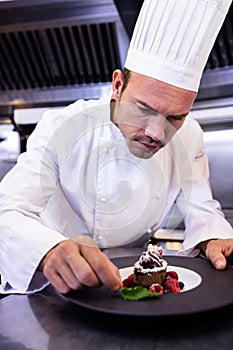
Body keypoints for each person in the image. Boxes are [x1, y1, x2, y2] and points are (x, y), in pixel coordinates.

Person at [0, 0, 233, 295]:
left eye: (176, 117)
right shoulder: (62, 127)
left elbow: (203, 211)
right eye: (144, 109)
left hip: (136, 287)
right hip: (57, 288)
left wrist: (214, 239)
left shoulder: (191, 137)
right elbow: (7, 210)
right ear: (118, 85)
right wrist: (47, 251)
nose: (156, 133)